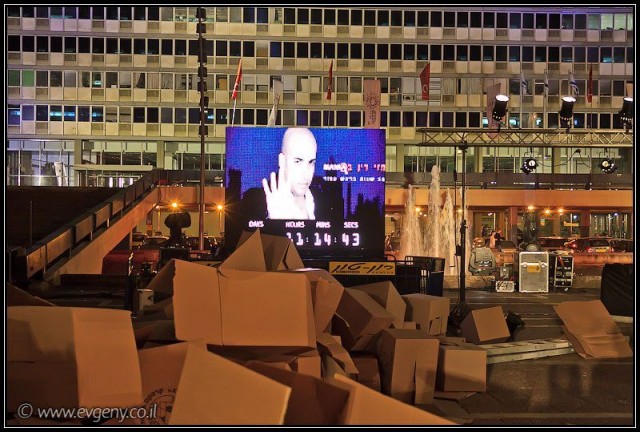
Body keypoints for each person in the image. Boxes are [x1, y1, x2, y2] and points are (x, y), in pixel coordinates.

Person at [262, 127, 318, 220]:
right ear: (282, 161)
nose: (306, 174)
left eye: (311, 162)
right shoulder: (259, 204)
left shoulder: (323, 205)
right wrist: (275, 223)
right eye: (297, 162)